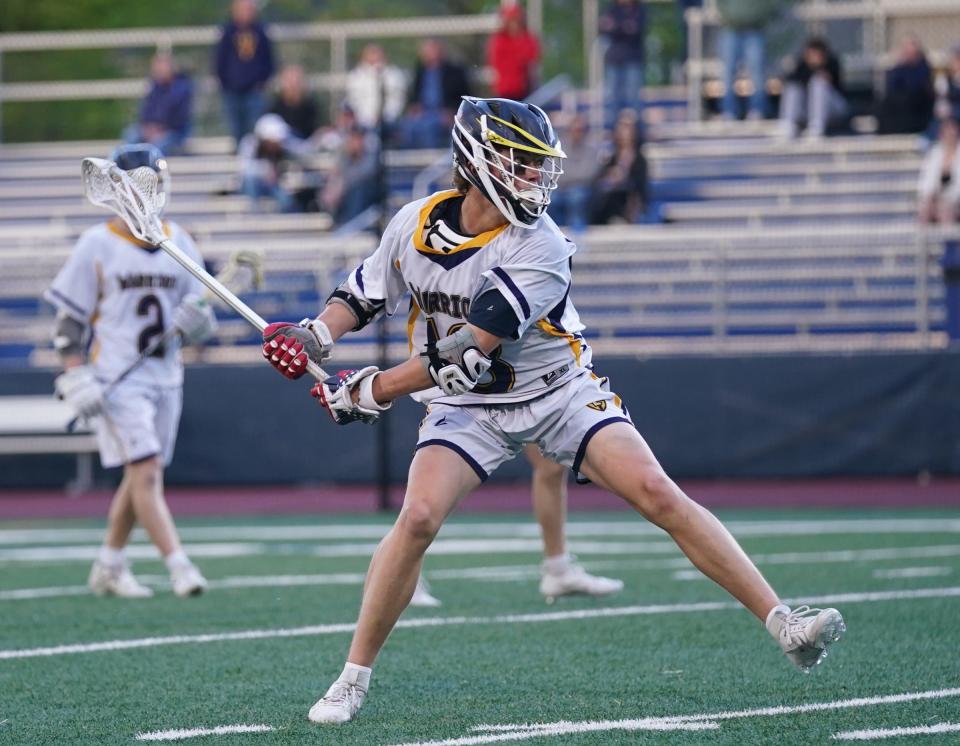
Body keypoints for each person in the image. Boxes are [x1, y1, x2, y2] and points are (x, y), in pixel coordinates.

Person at [259, 96, 846, 725]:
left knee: (657, 491)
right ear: (476, 161)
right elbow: (363, 293)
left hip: (555, 389)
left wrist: (368, 392)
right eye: (521, 163)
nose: (535, 179)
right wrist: (314, 335)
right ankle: (353, 677)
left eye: (538, 166)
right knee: (420, 516)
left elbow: (464, 351)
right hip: (470, 408)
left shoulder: (543, 246)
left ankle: (783, 621)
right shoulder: (412, 221)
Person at [44, 144, 216, 599]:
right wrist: (74, 371)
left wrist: (197, 325)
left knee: (141, 474)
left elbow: (200, 314)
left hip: (166, 374)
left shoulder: (178, 238)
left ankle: (109, 564)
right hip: (117, 375)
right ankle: (179, 566)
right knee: (146, 470)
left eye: (152, 185)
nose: (147, 195)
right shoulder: (97, 243)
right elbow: (69, 318)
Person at [410, 443, 625, 607]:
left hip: (520, 387)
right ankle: (405, 576)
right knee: (445, 468)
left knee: (550, 463)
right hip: (475, 394)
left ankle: (558, 569)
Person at [214, 0, 275, 149]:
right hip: (232, 90)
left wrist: (262, 80)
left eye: (248, 9)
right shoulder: (228, 32)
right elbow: (219, 59)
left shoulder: (260, 31)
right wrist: (225, 82)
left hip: (254, 90)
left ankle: (252, 161)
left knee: (254, 129)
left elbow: (268, 59)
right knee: (236, 129)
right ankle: (239, 164)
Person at [397, 39, 471, 149]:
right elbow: (413, 97)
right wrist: (414, 108)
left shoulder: (455, 72)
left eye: (433, 50)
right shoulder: (420, 72)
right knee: (406, 128)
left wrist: (452, 111)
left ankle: (431, 163)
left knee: (429, 128)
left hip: (444, 114)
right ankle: (411, 164)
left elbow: (465, 97)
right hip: (424, 114)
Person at [715, 0, 782, 120]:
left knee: (758, 71)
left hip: (755, 30)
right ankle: (729, 110)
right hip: (731, 29)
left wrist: (760, 17)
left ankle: (758, 109)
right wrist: (727, 16)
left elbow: (769, 4)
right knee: (728, 72)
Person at [123, 51, 193, 155]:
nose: (157, 70)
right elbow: (145, 111)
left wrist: (160, 129)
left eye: (161, 67)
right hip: (153, 129)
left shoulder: (182, 88)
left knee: (158, 146)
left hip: (174, 132)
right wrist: (148, 127)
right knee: (131, 135)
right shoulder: (154, 87)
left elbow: (180, 118)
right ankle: (131, 167)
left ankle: (151, 170)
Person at [778, 37, 848, 139]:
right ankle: (788, 124)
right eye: (811, 54)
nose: (813, 57)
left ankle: (817, 127)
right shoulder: (801, 65)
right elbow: (793, 80)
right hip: (807, 111)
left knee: (818, 82)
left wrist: (818, 71)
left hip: (835, 108)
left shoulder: (832, 63)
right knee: (793, 87)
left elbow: (832, 85)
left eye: (816, 54)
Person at [590, 110, 648, 224]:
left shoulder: (640, 160)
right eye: (621, 127)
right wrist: (610, 177)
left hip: (629, 203)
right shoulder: (611, 157)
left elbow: (641, 187)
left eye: (627, 128)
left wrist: (623, 178)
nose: (623, 132)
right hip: (609, 204)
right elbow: (598, 180)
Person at [239, 114, 302, 213]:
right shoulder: (250, 143)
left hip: (274, 186)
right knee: (249, 181)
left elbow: (301, 149)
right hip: (254, 187)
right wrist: (265, 170)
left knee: (286, 199)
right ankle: (253, 214)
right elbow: (244, 168)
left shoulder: (282, 145)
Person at [548, 112, 600, 232]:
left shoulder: (591, 150)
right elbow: (554, 173)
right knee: (551, 199)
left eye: (580, 129)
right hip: (560, 188)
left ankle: (578, 235)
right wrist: (571, 177)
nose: (577, 132)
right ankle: (556, 232)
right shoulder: (559, 148)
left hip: (581, 189)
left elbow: (588, 175)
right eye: (575, 129)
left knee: (576, 197)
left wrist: (568, 177)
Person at [599, 0, 646, 127]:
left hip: (633, 60)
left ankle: (637, 130)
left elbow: (637, 30)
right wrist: (624, 27)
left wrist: (616, 26)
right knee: (613, 98)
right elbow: (603, 28)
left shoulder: (640, 10)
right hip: (614, 60)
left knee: (633, 97)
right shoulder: (610, 9)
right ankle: (613, 129)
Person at [319, 125, 379, 227]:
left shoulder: (370, 155)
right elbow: (335, 173)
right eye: (353, 137)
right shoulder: (344, 156)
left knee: (358, 190)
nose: (355, 142)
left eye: (358, 138)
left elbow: (365, 173)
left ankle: (351, 227)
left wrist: (342, 185)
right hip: (344, 197)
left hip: (366, 199)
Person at [344, 44, 407, 134]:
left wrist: (386, 117)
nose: (374, 57)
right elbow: (352, 102)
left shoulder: (395, 75)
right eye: (371, 54)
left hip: (391, 121)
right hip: (362, 122)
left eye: (376, 54)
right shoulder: (355, 77)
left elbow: (398, 101)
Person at [878, 35, 934, 135]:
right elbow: (892, 85)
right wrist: (900, 63)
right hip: (899, 108)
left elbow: (915, 86)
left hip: (916, 107)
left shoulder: (923, 67)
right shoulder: (898, 68)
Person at [486, 4, 540, 101]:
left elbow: (532, 57)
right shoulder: (499, 40)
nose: (514, 24)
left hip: (525, 89)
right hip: (505, 89)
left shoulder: (527, 38)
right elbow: (497, 62)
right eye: (511, 20)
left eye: (517, 20)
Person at [918, 116, 960, 225]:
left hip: (956, 201)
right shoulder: (935, 153)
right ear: (941, 134)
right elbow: (927, 182)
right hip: (939, 199)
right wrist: (930, 198)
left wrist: (948, 200)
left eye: (952, 131)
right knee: (924, 210)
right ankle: (921, 241)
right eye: (946, 132)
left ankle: (950, 241)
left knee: (946, 210)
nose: (950, 135)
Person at [268, 64, 319, 142]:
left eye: (296, 80)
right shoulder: (274, 108)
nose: (293, 85)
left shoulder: (310, 107)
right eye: (289, 80)